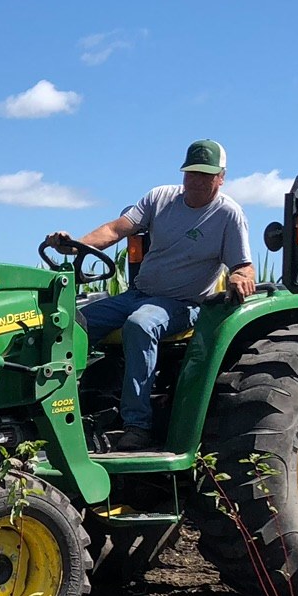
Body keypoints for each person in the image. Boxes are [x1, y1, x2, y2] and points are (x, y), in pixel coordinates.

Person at [67, 139, 256, 451]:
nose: (196, 181)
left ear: (221, 177)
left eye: (205, 175)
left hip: (184, 304)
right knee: (75, 322)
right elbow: (116, 230)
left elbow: (244, 266)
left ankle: (136, 426)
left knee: (141, 324)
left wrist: (240, 276)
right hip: (139, 293)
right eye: (191, 173)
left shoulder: (228, 215)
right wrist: (76, 245)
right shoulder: (161, 198)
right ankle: (63, 411)